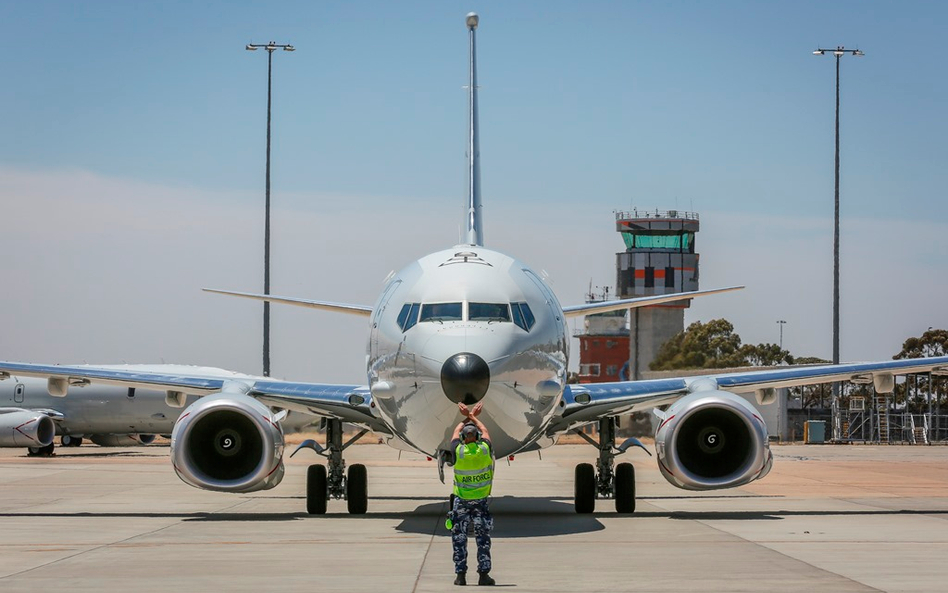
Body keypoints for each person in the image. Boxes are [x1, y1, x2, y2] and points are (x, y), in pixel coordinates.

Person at [449, 401, 495, 586]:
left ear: (462, 437)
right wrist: (474, 416)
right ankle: (483, 575)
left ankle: (460, 576)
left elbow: (453, 433)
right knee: (482, 539)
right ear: (477, 437)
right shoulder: (484, 450)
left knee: (459, 539)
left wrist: (465, 416)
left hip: (461, 503)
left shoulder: (458, 451)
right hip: (481, 504)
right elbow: (486, 431)